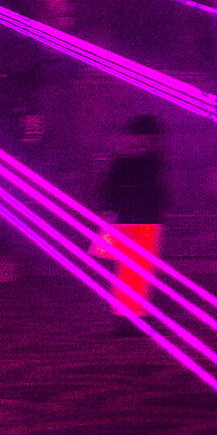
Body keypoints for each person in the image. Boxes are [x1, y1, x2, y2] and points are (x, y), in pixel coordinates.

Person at [97, 115, 167, 326]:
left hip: (139, 218)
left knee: (134, 272)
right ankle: (130, 319)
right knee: (132, 271)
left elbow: (111, 191)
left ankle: (131, 318)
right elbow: (113, 191)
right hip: (136, 219)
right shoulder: (137, 162)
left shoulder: (135, 161)